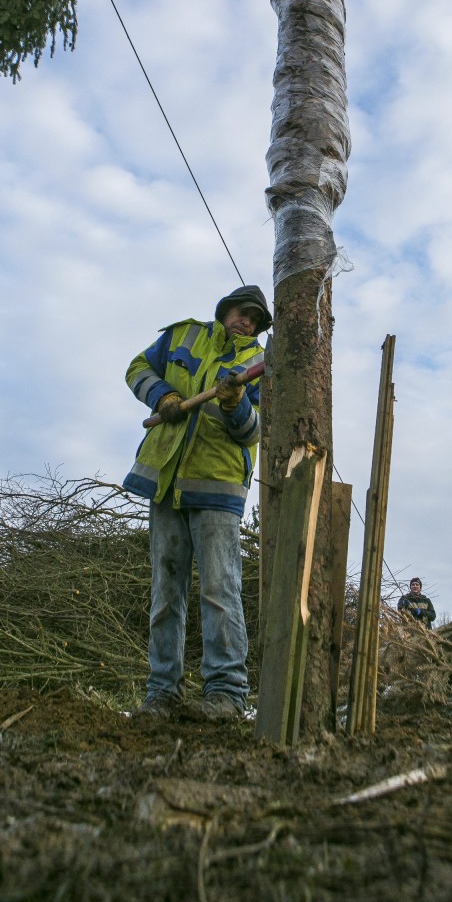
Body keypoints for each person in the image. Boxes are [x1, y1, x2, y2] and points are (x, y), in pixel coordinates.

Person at [123, 285, 272, 720]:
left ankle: (226, 694)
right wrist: (164, 396)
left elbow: (252, 434)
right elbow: (136, 368)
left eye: (254, 317)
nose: (245, 320)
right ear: (224, 311)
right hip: (167, 483)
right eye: (239, 312)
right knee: (165, 593)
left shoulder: (259, 366)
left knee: (219, 590)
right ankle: (161, 694)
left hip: (218, 488)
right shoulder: (183, 337)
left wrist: (236, 402)